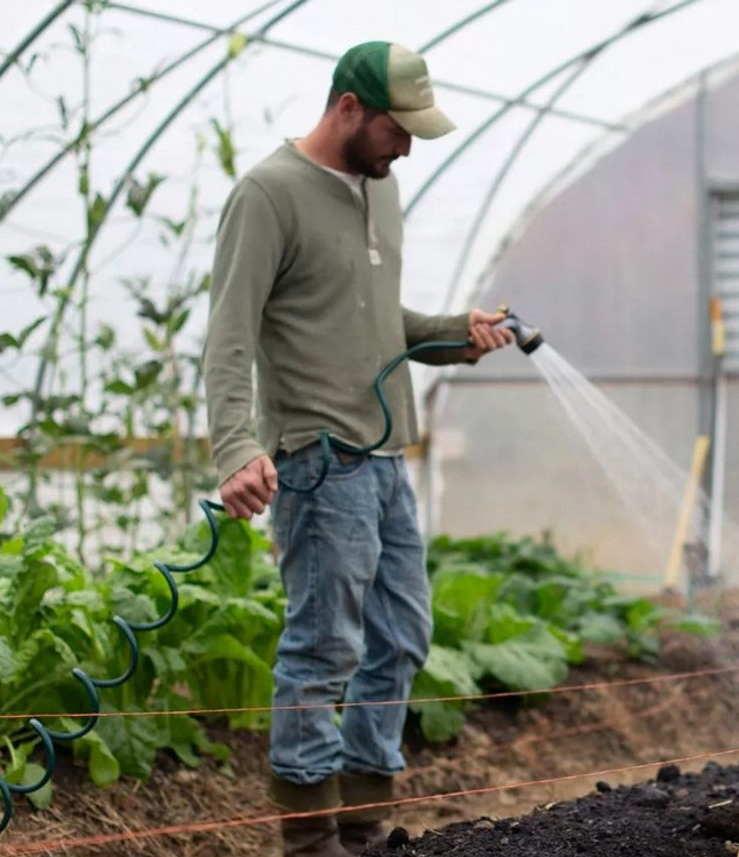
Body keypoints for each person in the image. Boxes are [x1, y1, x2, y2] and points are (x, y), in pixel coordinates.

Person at [200, 40, 514, 857]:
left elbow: (379, 325)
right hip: (316, 458)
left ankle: (366, 822)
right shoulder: (269, 195)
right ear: (349, 109)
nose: (406, 146)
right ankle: (308, 841)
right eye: (397, 129)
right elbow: (229, 335)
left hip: (383, 459)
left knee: (403, 634)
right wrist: (235, 446)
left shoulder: (383, 189)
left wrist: (457, 334)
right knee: (324, 644)